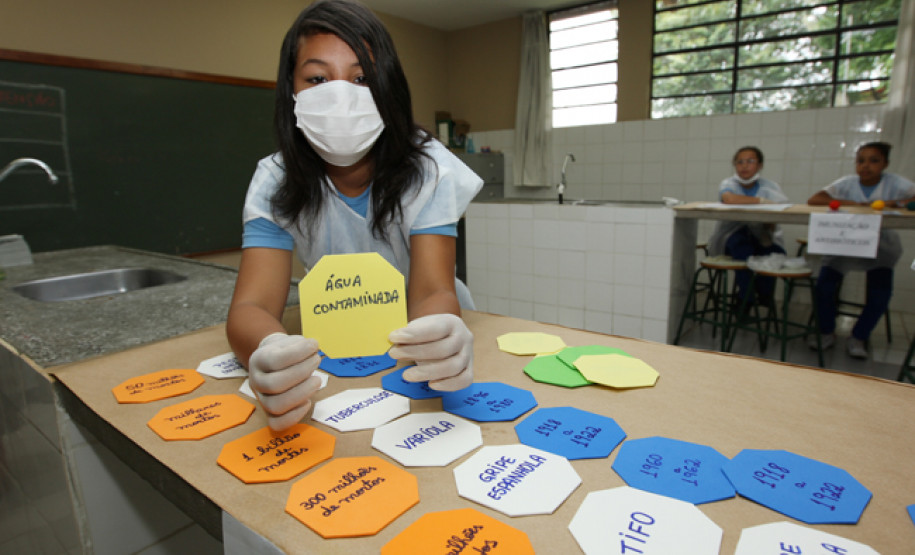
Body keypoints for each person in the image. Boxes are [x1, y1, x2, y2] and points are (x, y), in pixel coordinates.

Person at [226, 0, 483, 431]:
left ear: (388, 88)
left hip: (424, 339)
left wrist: (441, 333)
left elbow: (432, 291)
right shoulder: (275, 180)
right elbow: (252, 305)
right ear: (291, 89)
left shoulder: (429, 169)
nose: (341, 96)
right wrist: (266, 347)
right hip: (337, 338)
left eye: (362, 78)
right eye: (318, 78)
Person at [807, 141, 915, 359]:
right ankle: (826, 332)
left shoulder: (896, 184)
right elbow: (815, 199)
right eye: (861, 161)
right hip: (844, 245)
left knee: (880, 294)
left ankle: (859, 336)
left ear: (885, 164)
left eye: (874, 161)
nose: (866, 166)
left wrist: (895, 203)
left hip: (880, 247)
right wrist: (855, 204)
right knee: (824, 288)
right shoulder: (847, 183)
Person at [707, 146, 789, 307]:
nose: (744, 166)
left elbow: (779, 212)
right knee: (743, 250)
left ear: (760, 165)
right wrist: (761, 201)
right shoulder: (729, 183)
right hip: (732, 235)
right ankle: (746, 299)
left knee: (775, 253)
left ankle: (764, 294)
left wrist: (767, 229)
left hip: (761, 235)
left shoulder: (770, 187)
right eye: (740, 162)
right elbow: (729, 199)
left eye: (750, 161)